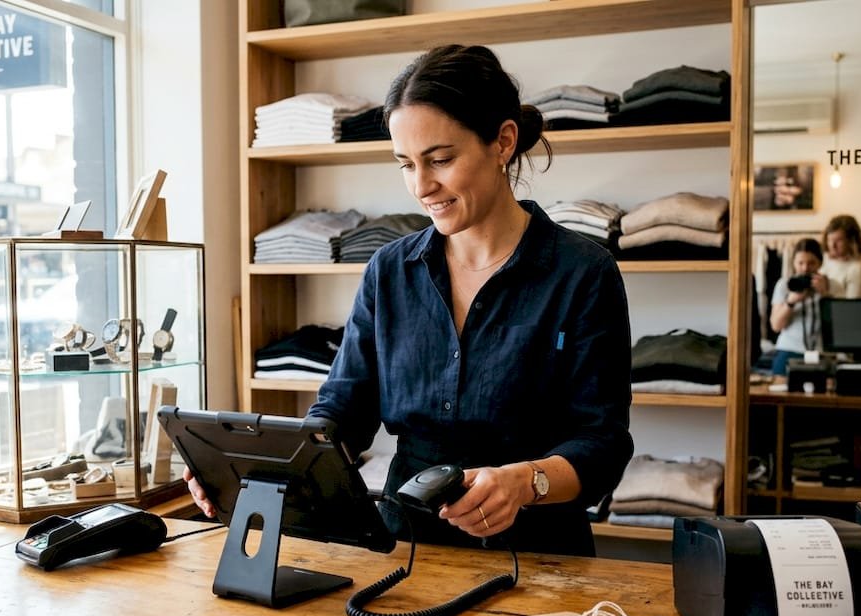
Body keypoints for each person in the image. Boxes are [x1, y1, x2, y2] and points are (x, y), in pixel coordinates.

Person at [185, 44, 634, 557]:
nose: (422, 186)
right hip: (406, 548)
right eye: (406, 164)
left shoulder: (582, 273)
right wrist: (262, 470)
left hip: (539, 554)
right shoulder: (389, 271)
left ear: (503, 141)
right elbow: (343, 410)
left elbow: (602, 444)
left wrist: (525, 482)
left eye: (440, 160)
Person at [769, 238, 841, 376]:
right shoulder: (785, 285)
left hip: (823, 353)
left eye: (811, 263)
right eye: (800, 263)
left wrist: (825, 295)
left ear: (820, 263)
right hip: (788, 350)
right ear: (793, 263)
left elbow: (841, 326)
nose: (805, 268)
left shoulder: (833, 286)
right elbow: (776, 326)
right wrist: (791, 301)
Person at [819, 214, 861, 298]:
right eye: (829, 240)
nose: (832, 245)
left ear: (852, 241)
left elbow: (852, 307)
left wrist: (824, 292)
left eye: (838, 240)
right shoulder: (826, 263)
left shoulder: (859, 269)